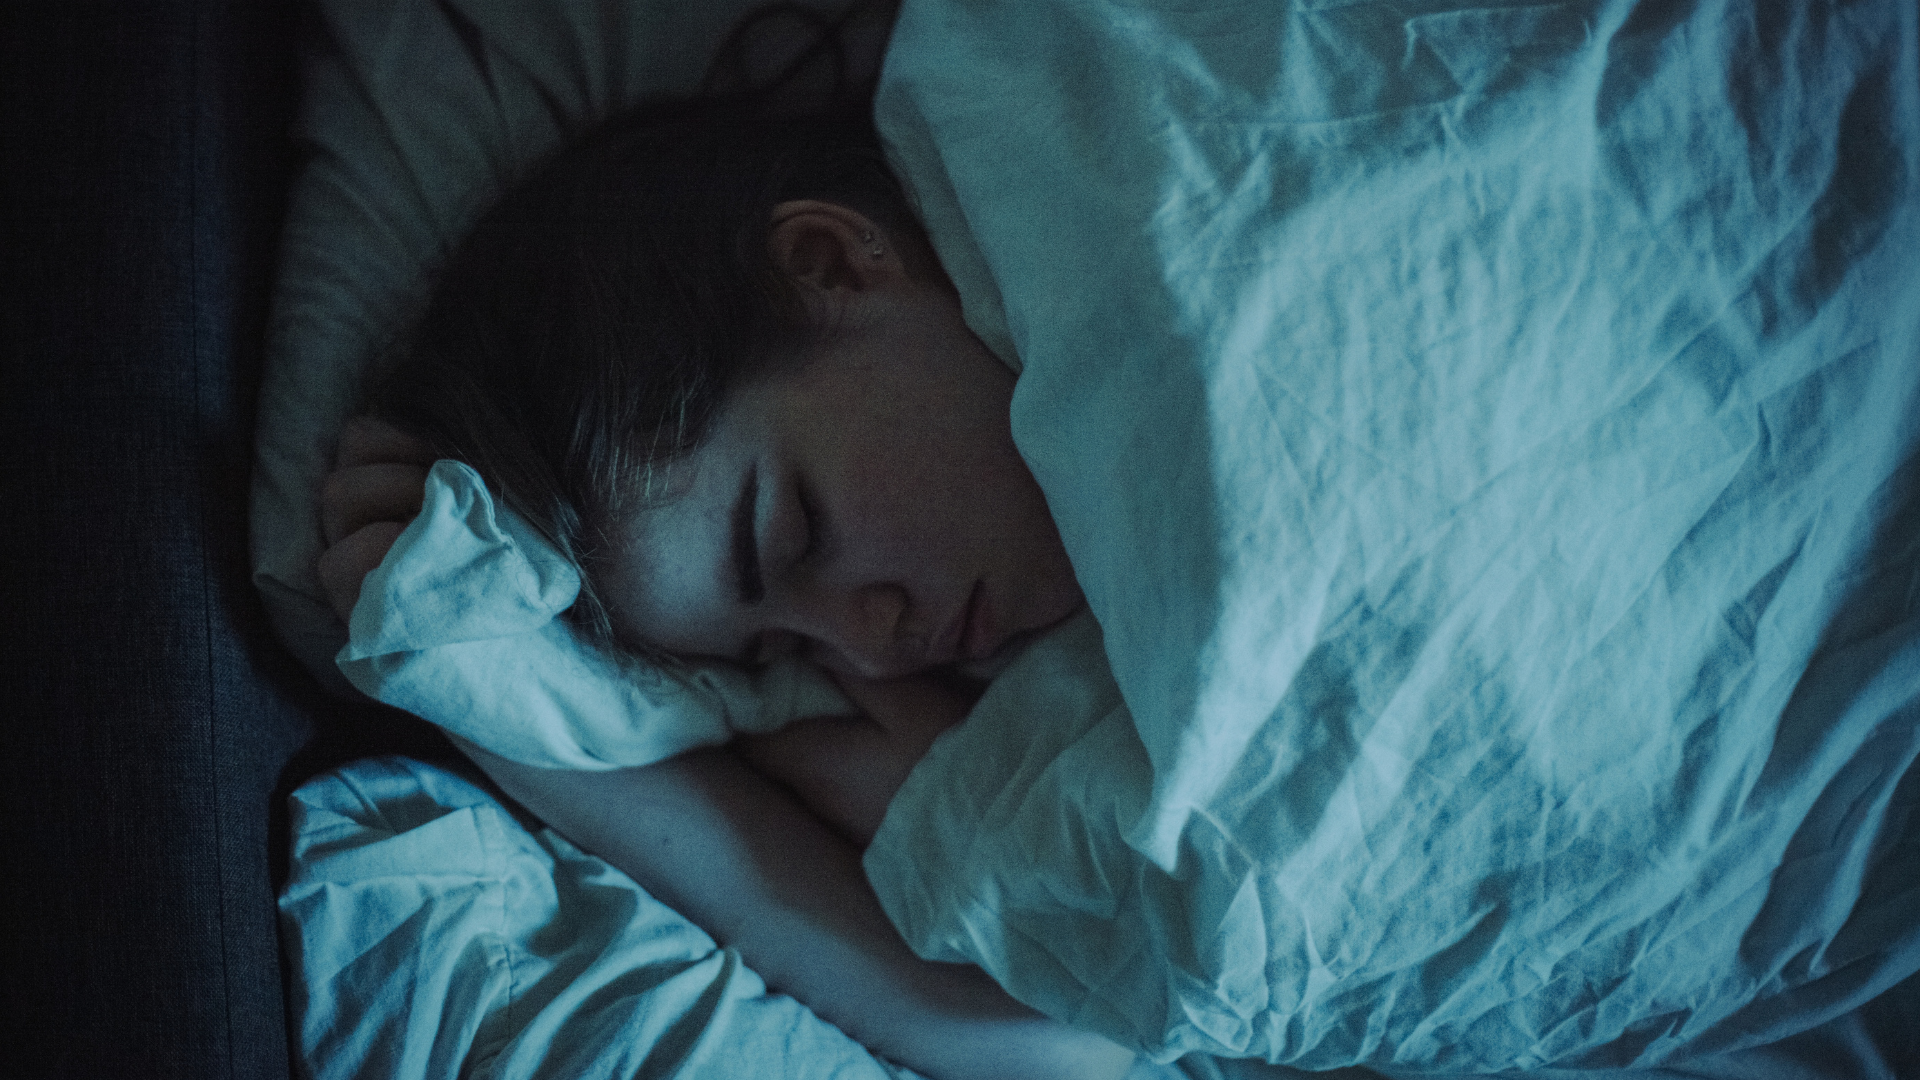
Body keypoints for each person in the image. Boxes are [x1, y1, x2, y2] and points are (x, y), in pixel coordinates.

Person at [315, 97, 1136, 1080]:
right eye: (776, 652)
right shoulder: (994, 727)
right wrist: (474, 676)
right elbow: (1063, 1052)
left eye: (799, 532)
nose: (872, 652)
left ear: (829, 262)